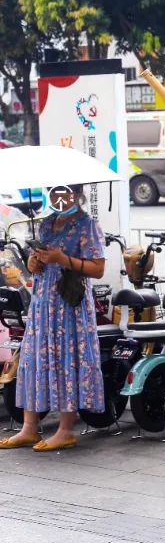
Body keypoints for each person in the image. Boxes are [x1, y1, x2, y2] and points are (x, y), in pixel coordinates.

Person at [0, 184, 105, 451]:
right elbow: (37, 266)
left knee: (66, 359)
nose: (59, 198)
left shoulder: (87, 224)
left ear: (77, 194)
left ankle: (66, 429)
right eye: (54, 192)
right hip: (43, 304)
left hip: (70, 305)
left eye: (65, 192)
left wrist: (63, 258)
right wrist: (35, 263)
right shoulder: (47, 223)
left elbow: (98, 268)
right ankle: (29, 428)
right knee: (34, 358)